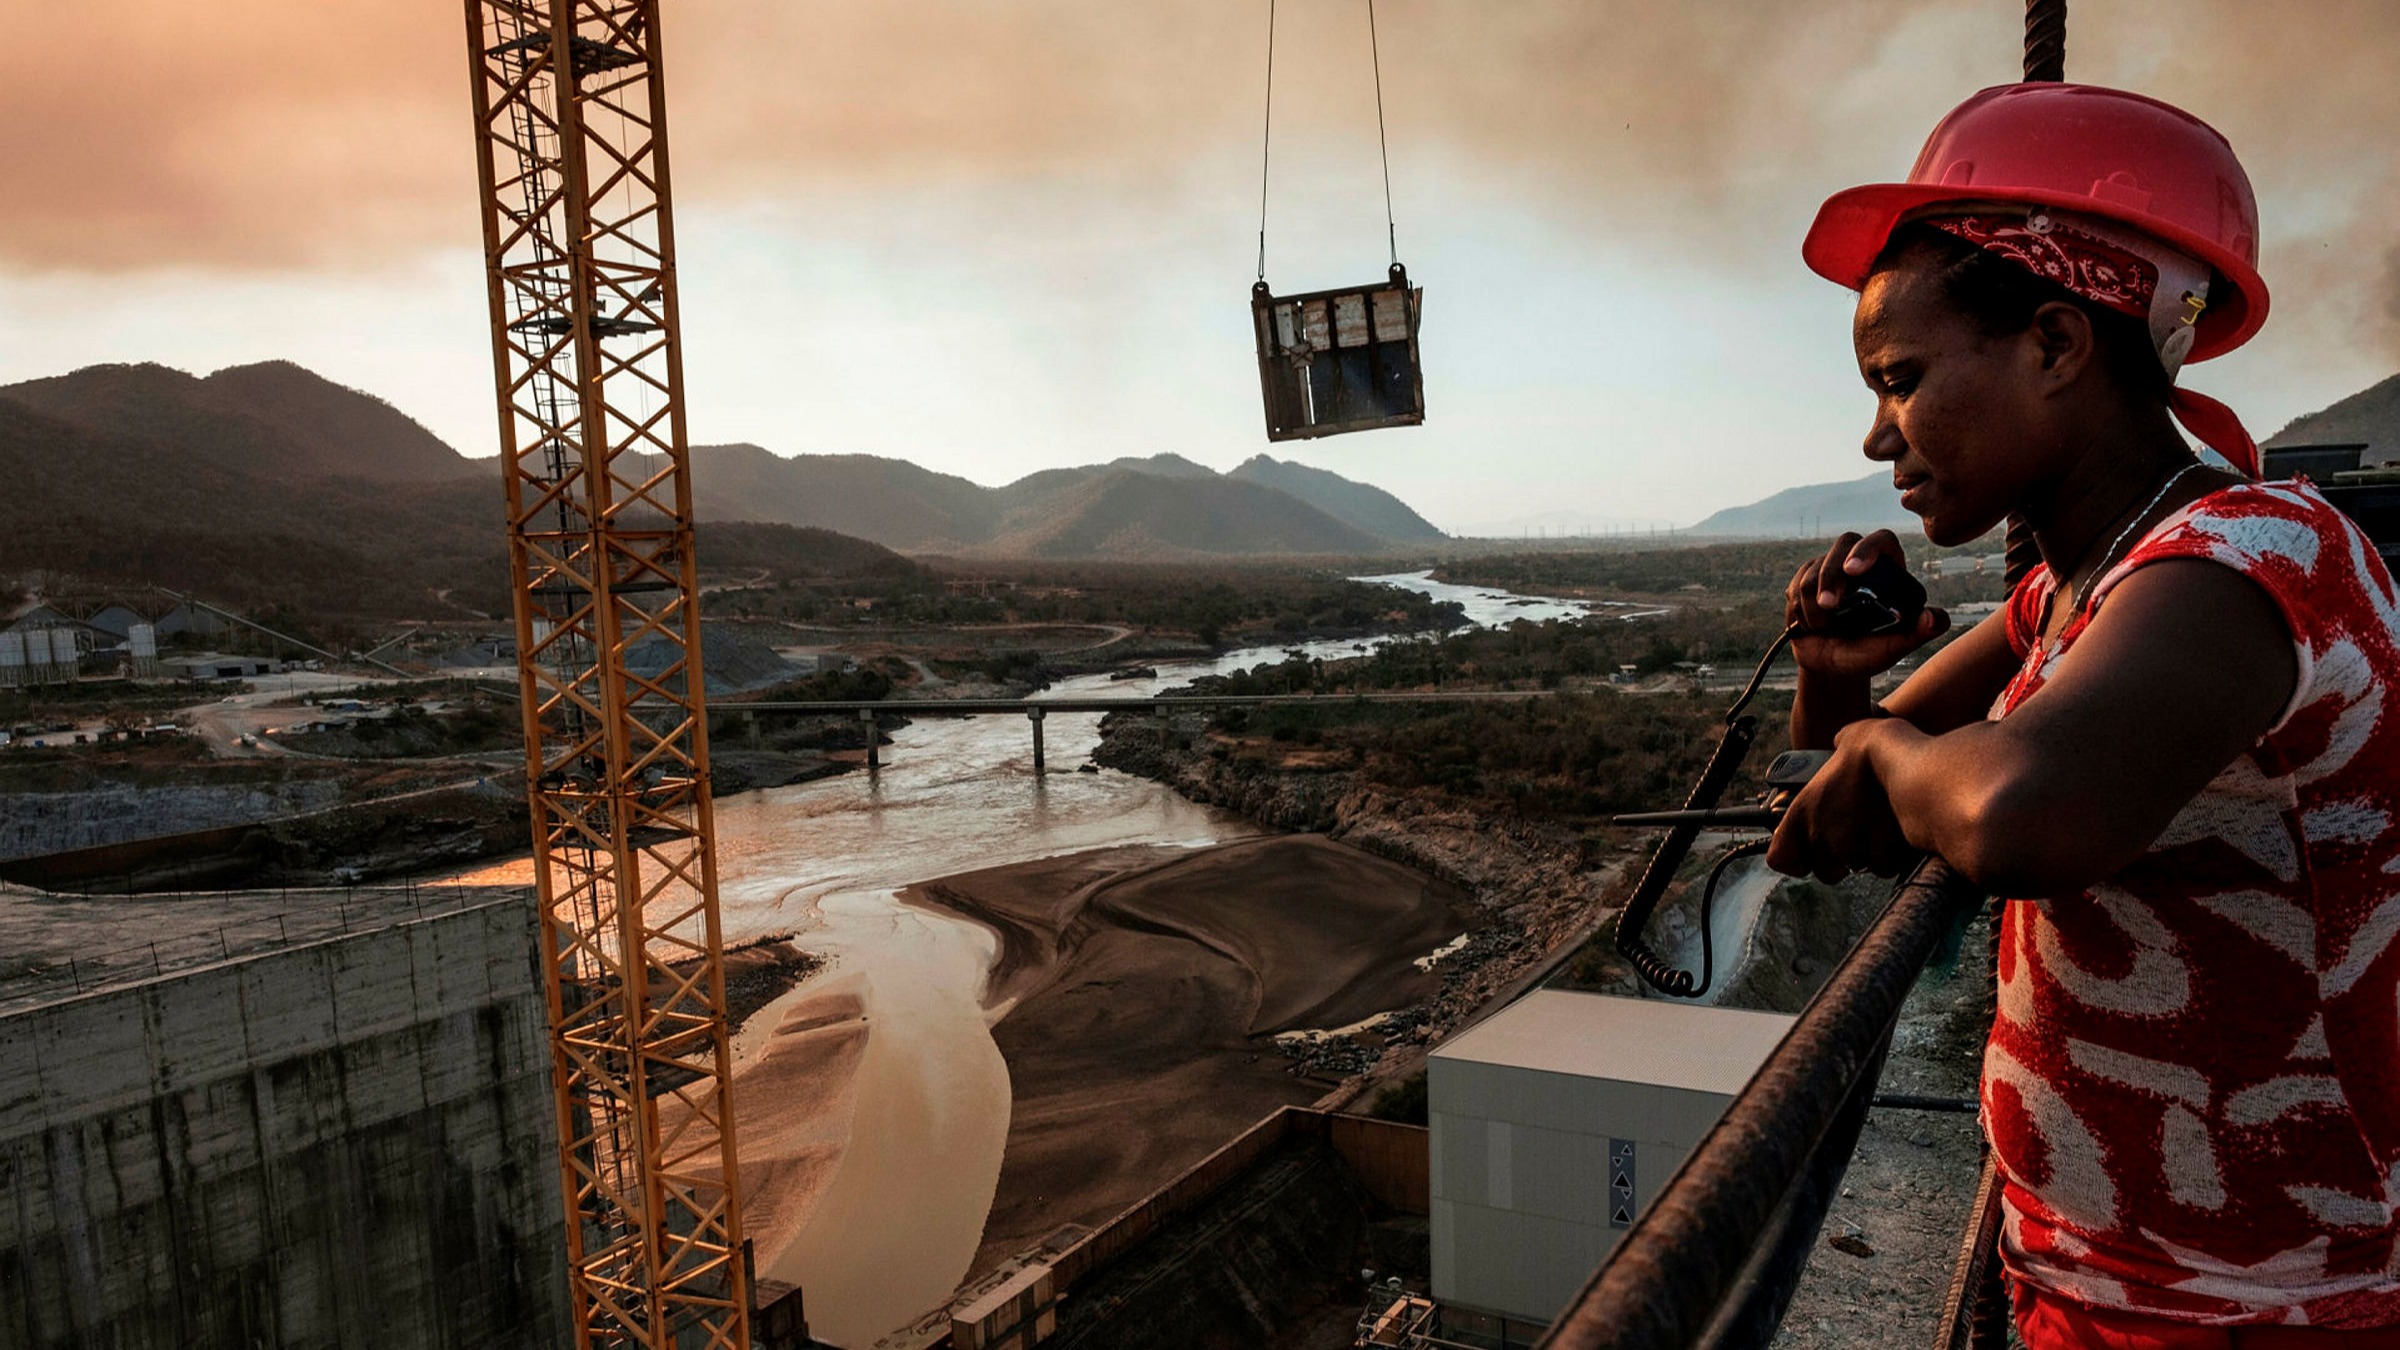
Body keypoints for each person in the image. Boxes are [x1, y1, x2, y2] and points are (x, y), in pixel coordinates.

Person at [1766, 82, 2400, 1346]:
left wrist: (1885, 741)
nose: (1880, 436)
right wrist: (1838, 683)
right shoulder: (2078, 588)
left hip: (2270, 1310)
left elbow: (2015, 812)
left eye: (1901, 379)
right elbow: (1842, 804)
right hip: (2100, 1278)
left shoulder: (2251, 560)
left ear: (2056, 345)